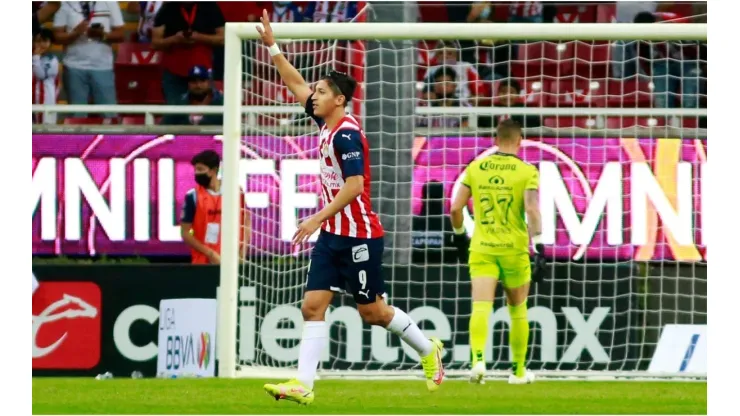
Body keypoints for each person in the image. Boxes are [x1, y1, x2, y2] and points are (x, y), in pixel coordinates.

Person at [255, 9, 444, 404]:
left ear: (339, 100)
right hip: (331, 236)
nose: (313, 96)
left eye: (321, 92)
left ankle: (428, 350)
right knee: (312, 307)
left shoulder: (345, 135)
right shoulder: (326, 124)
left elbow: (355, 186)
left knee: (373, 313)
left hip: (358, 235)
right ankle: (304, 386)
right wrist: (273, 46)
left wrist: (316, 218)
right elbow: (294, 84)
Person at [449, 119, 547, 385]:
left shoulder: (476, 167)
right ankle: (517, 372)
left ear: (495, 140)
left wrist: (460, 236)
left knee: (481, 306)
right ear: (519, 141)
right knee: (518, 309)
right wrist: (539, 246)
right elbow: (532, 210)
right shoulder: (526, 171)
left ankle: (478, 361)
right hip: (514, 249)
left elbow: (456, 208)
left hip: (482, 247)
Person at [52, 1, 124, 118]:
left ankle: (109, 137)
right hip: (73, 66)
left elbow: (120, 34)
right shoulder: (66, 3)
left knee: (109, 114)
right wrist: (75, 33)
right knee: (77, 115)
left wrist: (102, 35)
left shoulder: (110, 2)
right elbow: (57, 37)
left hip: (103, 66)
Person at [179, 150, 250, 264]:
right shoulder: (192, 196)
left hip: (233, 261)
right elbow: (185, 233)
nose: (197, 173)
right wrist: (211, 254)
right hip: (203, 263)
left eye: (201, 169)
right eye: (196, 170)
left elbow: (245, 222)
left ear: (213, 170)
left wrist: (243, 250)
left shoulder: (235, 191)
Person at [151, 1, 225, 104]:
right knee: (175, 112)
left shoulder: (209, 6)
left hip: (203, 72)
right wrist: (175, 39)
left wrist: (199, 37)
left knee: (206, 113)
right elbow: (155, 43)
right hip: (174, 73)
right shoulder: (168, 8)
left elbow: (223, 38)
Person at [33, 28, 60, 124]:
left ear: (51, 43)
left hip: (46, 98)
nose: (41, 45)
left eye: (44, 41)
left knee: (45, 127)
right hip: (32, 97)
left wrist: (35, 58)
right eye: (38, 41)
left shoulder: (52, 60)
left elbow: (40, 75)